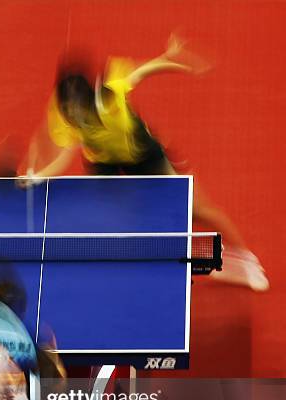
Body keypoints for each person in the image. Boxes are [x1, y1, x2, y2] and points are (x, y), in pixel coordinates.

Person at [20, 35, 268, 292]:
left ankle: (248, 260)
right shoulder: (61, 111)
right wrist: (38, 176)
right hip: (104, 164)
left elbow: (147, 69)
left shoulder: (112, 87)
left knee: (198, 209)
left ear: (88, 96)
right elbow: (65, 153)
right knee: (117, 216)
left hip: (144, 154)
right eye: (68, 110)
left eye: (77, 109)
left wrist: (173, 60)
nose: (73, 116)